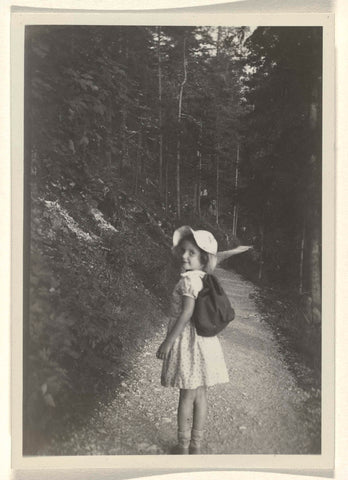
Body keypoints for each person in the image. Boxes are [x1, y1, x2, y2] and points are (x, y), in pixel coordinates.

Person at [156, 226, 229, 454]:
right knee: (201, 394)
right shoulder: (204, 278)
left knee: (187, 394)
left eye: (191, 253)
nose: (184, 256)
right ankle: (196, 445)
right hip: (204, 343)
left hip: (189, 343)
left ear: (204, 258)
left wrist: (168, 341)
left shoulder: (188, 280)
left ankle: (183, 444)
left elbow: (186, 313)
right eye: (183, 251)